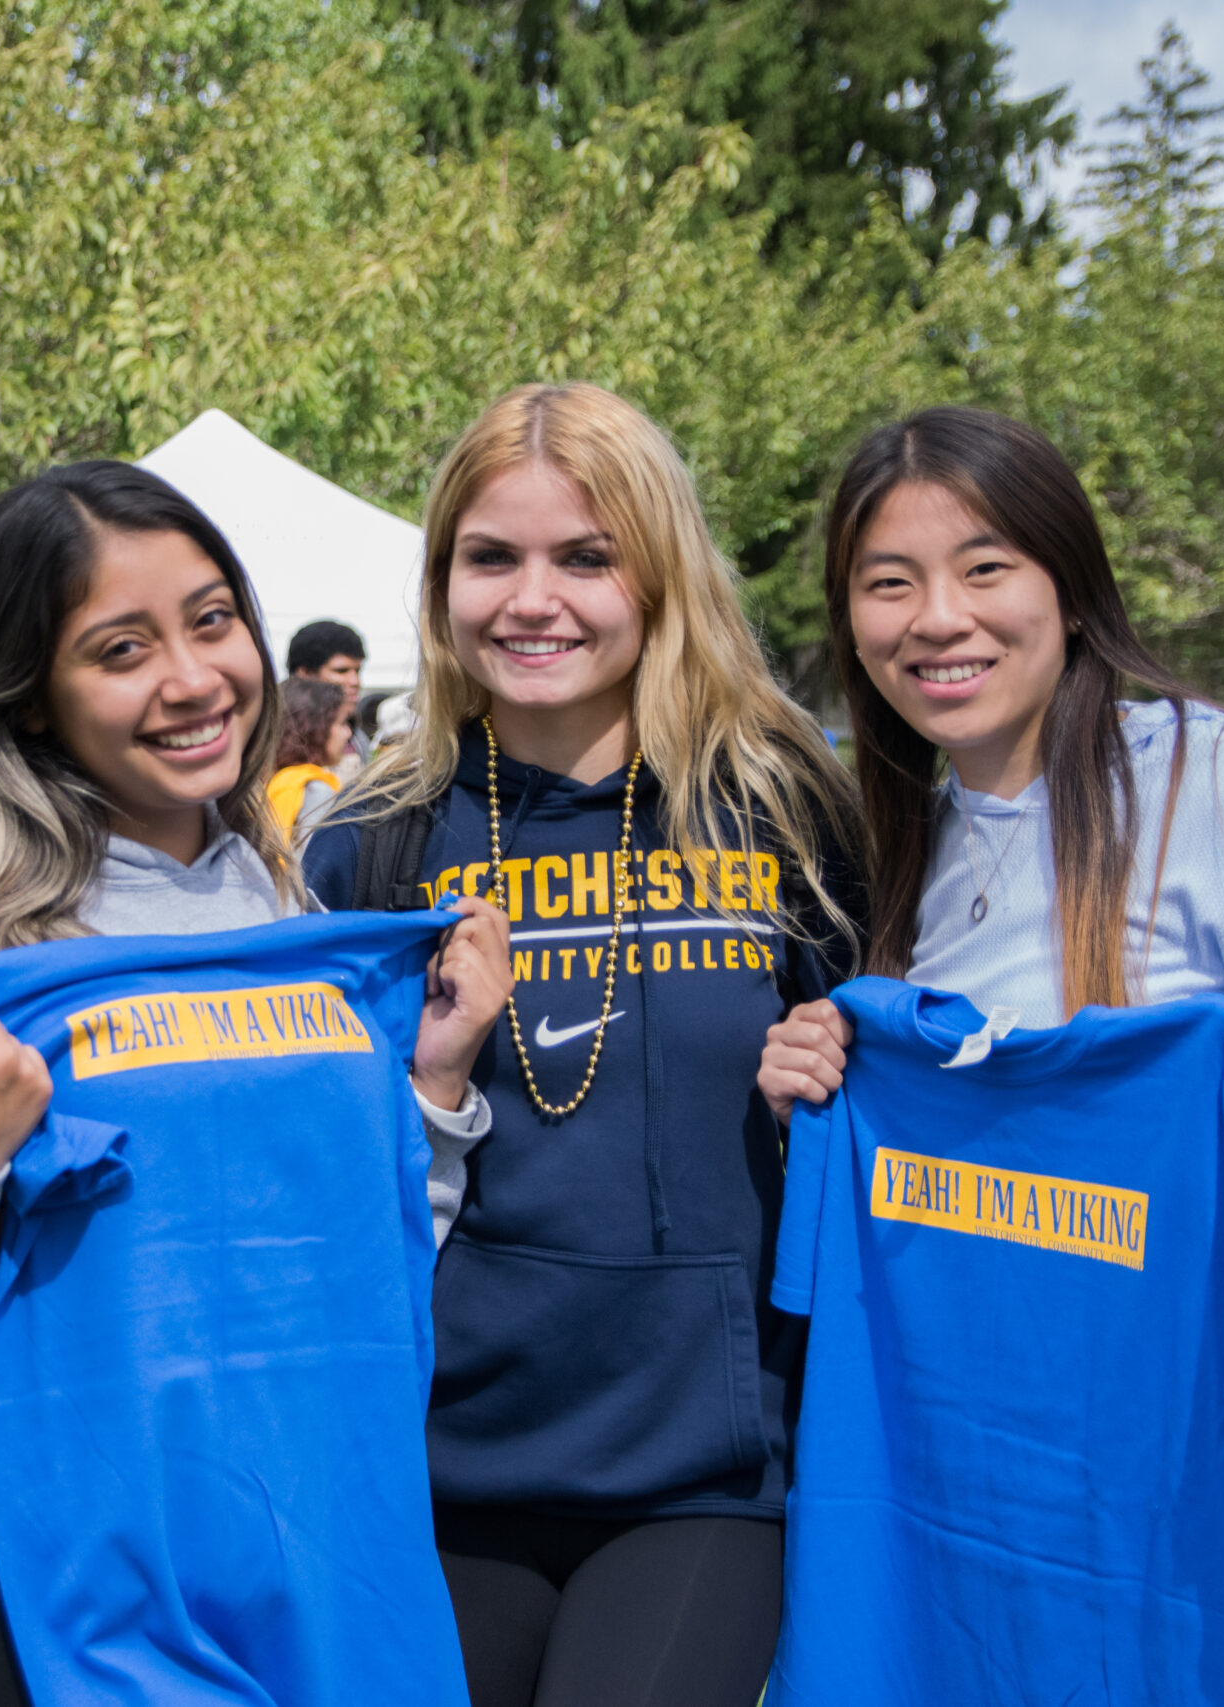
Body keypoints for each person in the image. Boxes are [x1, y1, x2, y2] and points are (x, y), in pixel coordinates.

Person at [0, 459, 511, 1707]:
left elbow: (347, 1246)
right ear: (31, 697)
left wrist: (432, 1096)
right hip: (29, 1560)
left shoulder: (281, 904)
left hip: (288, 1534)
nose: (192, 679)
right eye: (120, 649)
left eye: (211, 620)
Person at [759, 404, 1224, 1707]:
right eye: (888, 584)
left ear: (1069, 582)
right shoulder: (896, 842)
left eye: (984, 567)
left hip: (1219, 1519)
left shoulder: (1222, 791)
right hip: (976, 1519)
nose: (937, 618)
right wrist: (813, 1099)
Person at [305, 382, 866, 1707]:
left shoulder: (779, 805)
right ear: (441, 582)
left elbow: (888, 1093)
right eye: (490, 557)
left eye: (585, 557)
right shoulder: (370, 841)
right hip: (438, 1462)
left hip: (709, 1468)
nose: (532, 599)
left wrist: (814, 1098)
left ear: (659, 572)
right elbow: (324, 1173)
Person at [288, 618, 369, 780]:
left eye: (357, 671)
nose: (355, 681)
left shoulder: (357, 738)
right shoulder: (274, 740)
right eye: (341, 671)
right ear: (304, 675)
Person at [267, 676, 350, 833]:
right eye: (342, 723)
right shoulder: (316, 791)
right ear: (315, 728)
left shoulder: (273, 780)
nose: (348, 733)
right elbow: (315, 849)